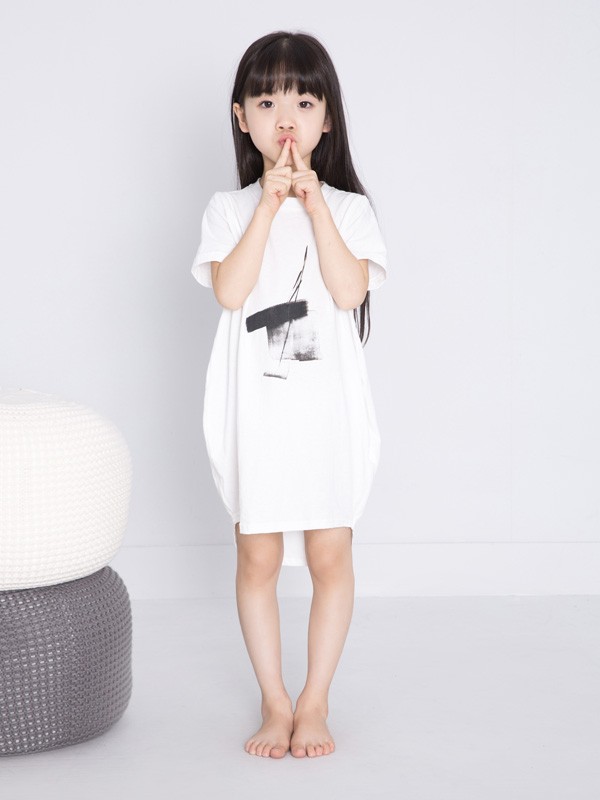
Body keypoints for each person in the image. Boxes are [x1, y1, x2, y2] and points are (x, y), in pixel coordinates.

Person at [191, 30, 388, 759]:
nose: (286, 118)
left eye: (304, 102)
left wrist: (315, 208)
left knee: (332, 554)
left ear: (327, 120)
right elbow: (231, 291)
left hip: (326, 417)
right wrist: (269, 209)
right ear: (241, 116)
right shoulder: (228, 209)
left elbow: (348, 290)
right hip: (258, 417)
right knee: (258, 560)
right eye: (268, 101)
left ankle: (315, 701)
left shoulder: (351, 210)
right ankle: (275, 701)